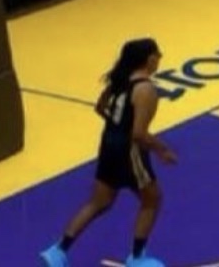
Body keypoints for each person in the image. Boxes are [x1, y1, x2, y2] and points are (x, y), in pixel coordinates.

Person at [40, 37, 176, 267]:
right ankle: (137, 258)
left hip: (108, 145)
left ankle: (58, 250)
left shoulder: (119, 81)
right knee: (152, 199)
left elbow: (100, 107)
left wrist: (117, 125)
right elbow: (138, 134)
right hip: (129, 151)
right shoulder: (145, 89)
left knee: (99, 201)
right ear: (149, 58)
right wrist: (162, 150)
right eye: (158, 55)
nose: (160, 59)